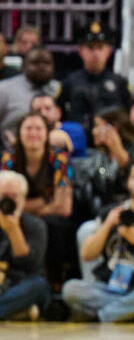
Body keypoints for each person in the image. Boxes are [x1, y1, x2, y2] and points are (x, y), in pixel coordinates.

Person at [62, 153, 134, 323]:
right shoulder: (110, 213)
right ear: (128, 182)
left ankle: (103, 315)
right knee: (70, 289)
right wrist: (107, 226)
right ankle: (131, 312)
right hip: (108, 286)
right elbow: (87, 255)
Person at [2, 112, 73, 285]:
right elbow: (3, 200)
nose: (33, 133)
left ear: (47, 134)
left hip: (47, 219)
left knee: (54, 224)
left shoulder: (61, 159)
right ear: (19, 134)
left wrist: (24, 206)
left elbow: (64, 207)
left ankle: (55, 284)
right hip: (15, 215)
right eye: (28, 128)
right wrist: (44, 202)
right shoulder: (8, 159)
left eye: (38, 129)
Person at [59, 21, 132, 131]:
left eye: (100, 47)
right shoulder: (69, 82)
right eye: (90, 47)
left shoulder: (120, 83)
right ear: (80, 50)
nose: (95, 53)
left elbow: (128, 115)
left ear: (108, 51)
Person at [0, 170, 49, 320]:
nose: (9, 202)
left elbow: (31, 264)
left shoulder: (36, 225)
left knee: (38, 286)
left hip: (22, 282)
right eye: (4, 197)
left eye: (14, 196)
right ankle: (17, 312)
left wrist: (14, 230)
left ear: (23, 199)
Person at [0, 46, 59, 134]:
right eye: (35, 63)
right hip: (8, 145)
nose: (42, 67)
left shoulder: (58, 88)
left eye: (46, 63)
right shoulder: (4, 89)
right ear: (24, 65)